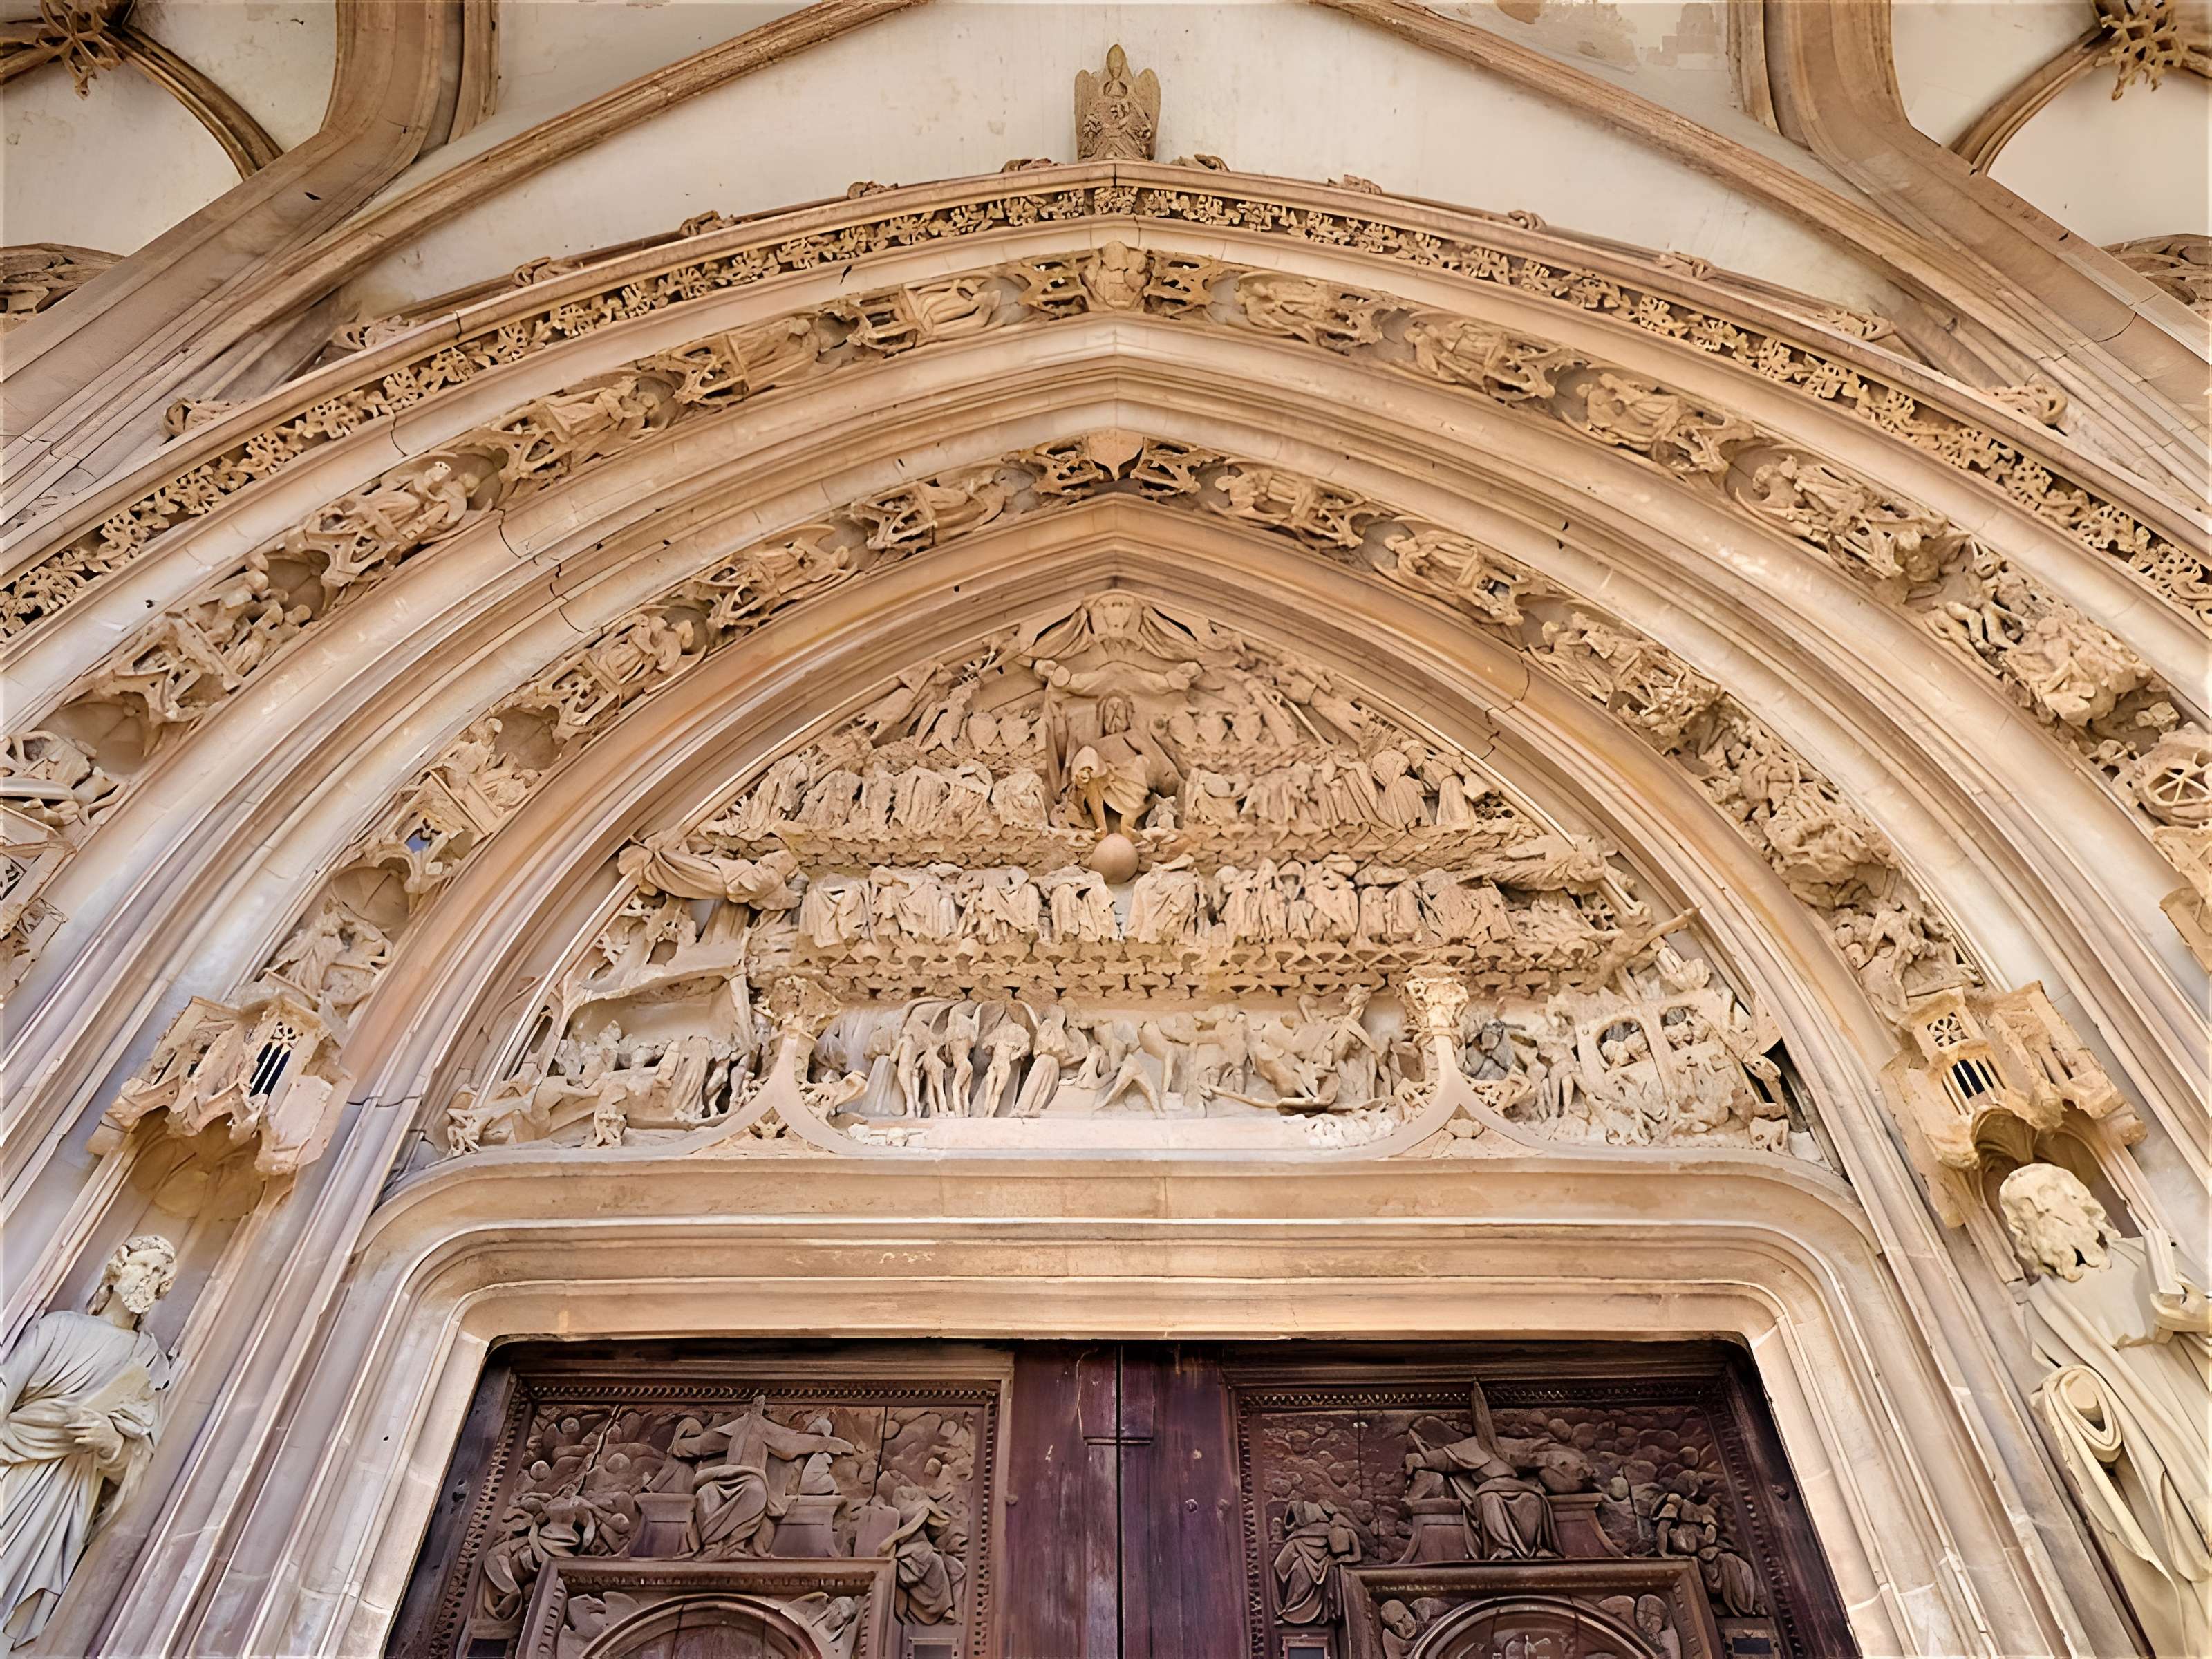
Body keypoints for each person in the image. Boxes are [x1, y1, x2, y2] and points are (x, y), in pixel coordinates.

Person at [0, 1237, 177, 1647]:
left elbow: (132, 1469)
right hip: (14, 1467)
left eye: (157, 1275)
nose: (147, 1280)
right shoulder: (60, 1327)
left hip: (67, 1496)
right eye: (142, 1267)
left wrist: (109, 1443)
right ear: (116, 1271)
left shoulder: (149, 1361)